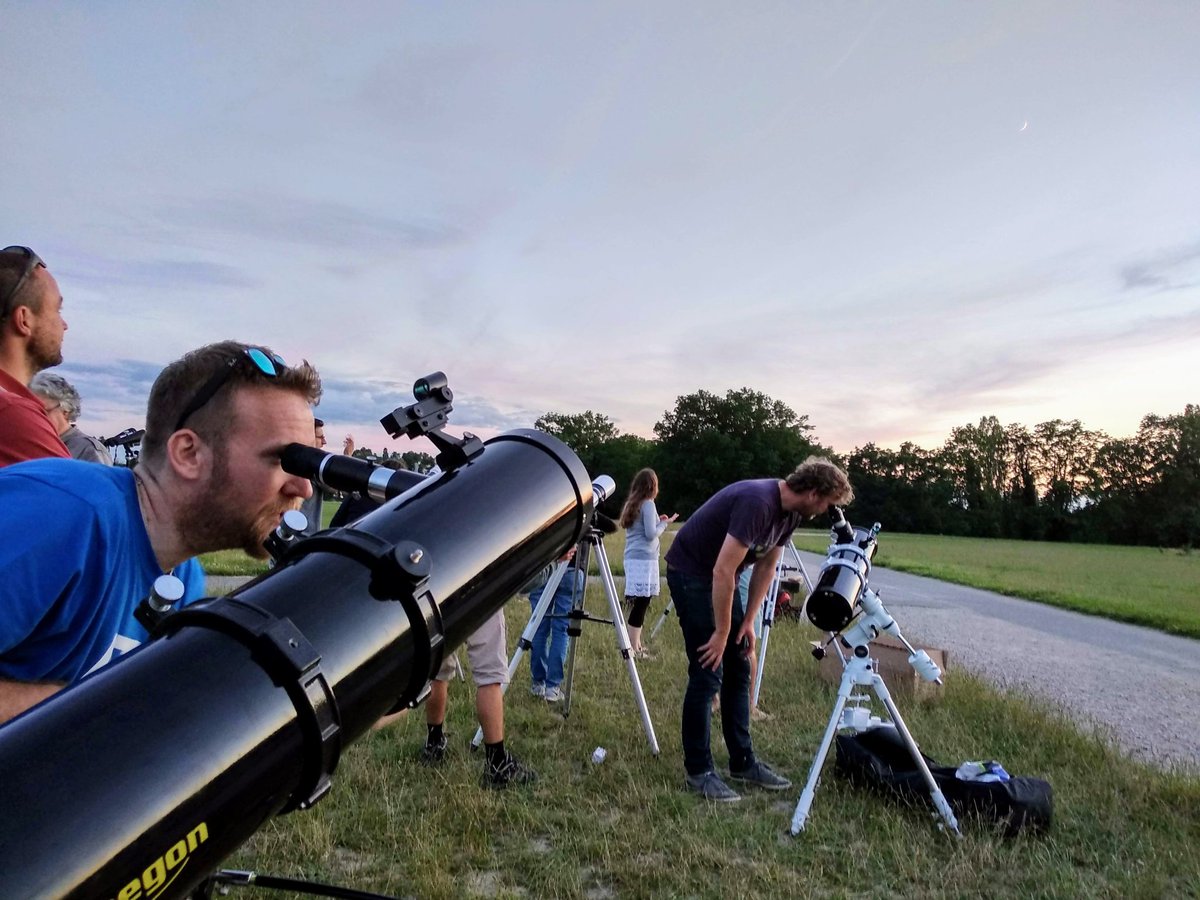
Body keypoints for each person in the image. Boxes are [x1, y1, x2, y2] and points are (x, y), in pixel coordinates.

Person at [0, 340, 322, 725]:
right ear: (188, 454)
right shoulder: (63, 514)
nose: (303, 488)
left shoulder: (183, 576)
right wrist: (91, 711)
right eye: (283, 460)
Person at [664, 456, 854, 802]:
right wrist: (721, 632)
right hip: (692, 573)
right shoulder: (758, 502)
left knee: (739, 666)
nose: (827, 509)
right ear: (813, 492)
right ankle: (699, 771)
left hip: (722, 578)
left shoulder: (792, 513)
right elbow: (722, 571)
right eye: (828, 502)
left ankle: (743, 762)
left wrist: (748, 620)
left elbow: (767, 566)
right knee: (708, 670)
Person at [419, 609, 537, 789]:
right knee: (490, 674)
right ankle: (497, 762)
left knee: (437, 669)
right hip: (476, 589)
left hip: (437, 595)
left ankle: (433, 743)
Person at [0, 245, 70, 465]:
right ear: (24, 320)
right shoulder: (11, 413)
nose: (64, 325)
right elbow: (79, 497)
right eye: (57, 311)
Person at [619, 468, 677, 657]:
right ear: (653, 486)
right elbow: (651, 534)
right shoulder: (648, 504)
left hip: (633, 558)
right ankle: (633, 649)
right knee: (642, 603)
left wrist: (658, 521)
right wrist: (665, 524)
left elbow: (643, 527)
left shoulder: (633, 503)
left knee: (639, 603)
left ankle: (635, 644)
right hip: (644, 560)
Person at [527, 548, 585, 702]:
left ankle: (538, 682)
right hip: (573, 566)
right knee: (561, 630)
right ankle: (552, 687)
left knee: (538, 628)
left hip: (543, 566)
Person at [29, 372, 111, 464]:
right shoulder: (30, 446)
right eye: (29, 411)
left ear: (66, 411)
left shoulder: (88, 450)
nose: (34, 417)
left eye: (42, 411)